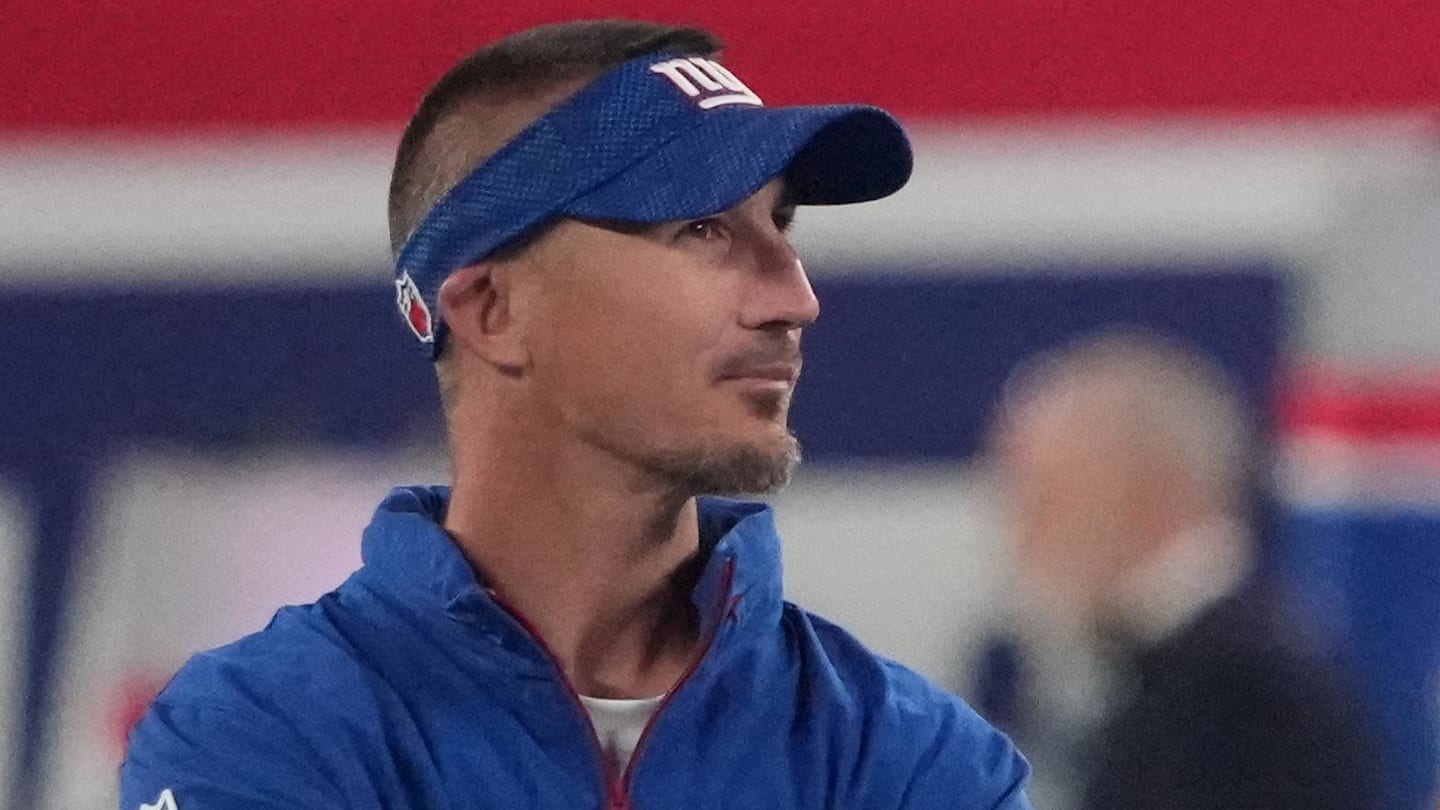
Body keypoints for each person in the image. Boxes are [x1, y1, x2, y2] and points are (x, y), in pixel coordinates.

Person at [119, 19, 1031, 809]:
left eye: (780, 226)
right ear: (492, 313)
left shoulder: (914, 756)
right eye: (703, 229)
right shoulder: (256, 737)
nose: (793, 298)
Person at [974, 330, 1379, 809]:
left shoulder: (1255, 694)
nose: (1020, 536)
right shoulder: (1083, 669)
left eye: (1047, 498)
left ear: (1152, 494)